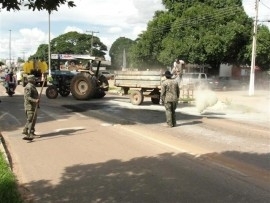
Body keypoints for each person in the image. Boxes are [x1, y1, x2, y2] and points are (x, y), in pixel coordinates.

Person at [22, 75, 39, 140]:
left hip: (33, 106)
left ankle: (31, 132)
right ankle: (26, 131)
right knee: (30, 120)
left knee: (33, 120)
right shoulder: (28, 87)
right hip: (29, 106)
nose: (35, 80)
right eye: (34, 79)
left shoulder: (32, 86)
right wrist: (35, 100)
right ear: (31, 80)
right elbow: (27, 97)